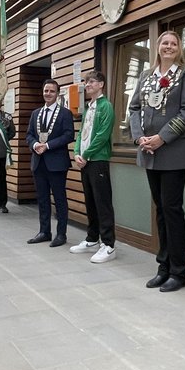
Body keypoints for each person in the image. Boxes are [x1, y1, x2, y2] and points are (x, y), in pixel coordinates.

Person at [129, 30, 185, 292]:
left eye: (173, 43)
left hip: (174, 152)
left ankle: (179, 272)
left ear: (179, 48)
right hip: (150, 151)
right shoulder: (146, 75)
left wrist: (162, 137)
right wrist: (139, 137)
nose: (169, 47)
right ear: (157, 47)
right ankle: (164, 267)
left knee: (172, 209)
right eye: (164, 43)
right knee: (160, 210)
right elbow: (134, 108)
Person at [71, 71, 117, 263]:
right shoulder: (88, 107)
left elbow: (103, 135)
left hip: (98, 160)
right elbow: (81, 133)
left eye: (91, 82)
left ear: (101, 84)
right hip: (85, 161)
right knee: (90, 201)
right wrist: (77, 152)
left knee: (102, 202)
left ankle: (108, 245)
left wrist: (86, 154)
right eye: (86, 82)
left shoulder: (106, 106)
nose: (87, 85)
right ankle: (92, 239)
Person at [26, 79, 74, 246]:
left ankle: (61, 234)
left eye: (52, 91)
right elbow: (29, 135)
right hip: (38, 162)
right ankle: (44, 232)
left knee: (59, 199)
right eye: (46, 91)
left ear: (57, 94)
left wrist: (47, 145)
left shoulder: (65, 113)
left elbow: (69, 135)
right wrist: (35, 145)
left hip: (57, 163)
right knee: (42, 199)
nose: (48, 94)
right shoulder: (35, 113)